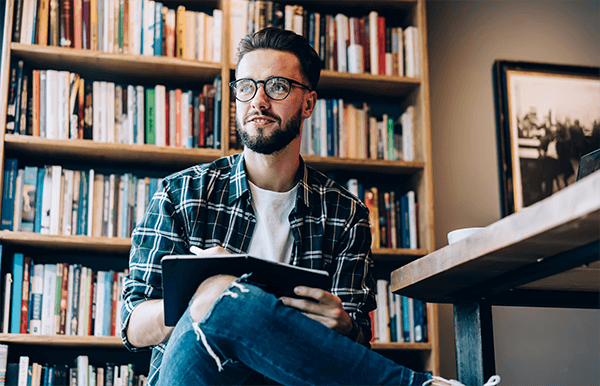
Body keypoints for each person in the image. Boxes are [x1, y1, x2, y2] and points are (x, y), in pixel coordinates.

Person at [121, 27, 491, 386]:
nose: (258, 102)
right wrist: (202, 298)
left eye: (277, 86)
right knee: (219, 291)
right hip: (196, 375)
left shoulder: (345, 214)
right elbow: (132, 325)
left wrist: (346, 327)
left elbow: (354, 344)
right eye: (246, 87)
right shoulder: (182, 193)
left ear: (309, 102)